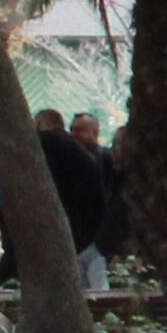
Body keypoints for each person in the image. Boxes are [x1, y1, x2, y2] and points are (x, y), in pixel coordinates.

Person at [37, 106, 117, 291]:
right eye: (72, 129)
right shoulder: (68, 159)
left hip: (99, 239)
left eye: (80, 130)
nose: (74, 134)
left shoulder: (104, 159)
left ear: (95, 132)